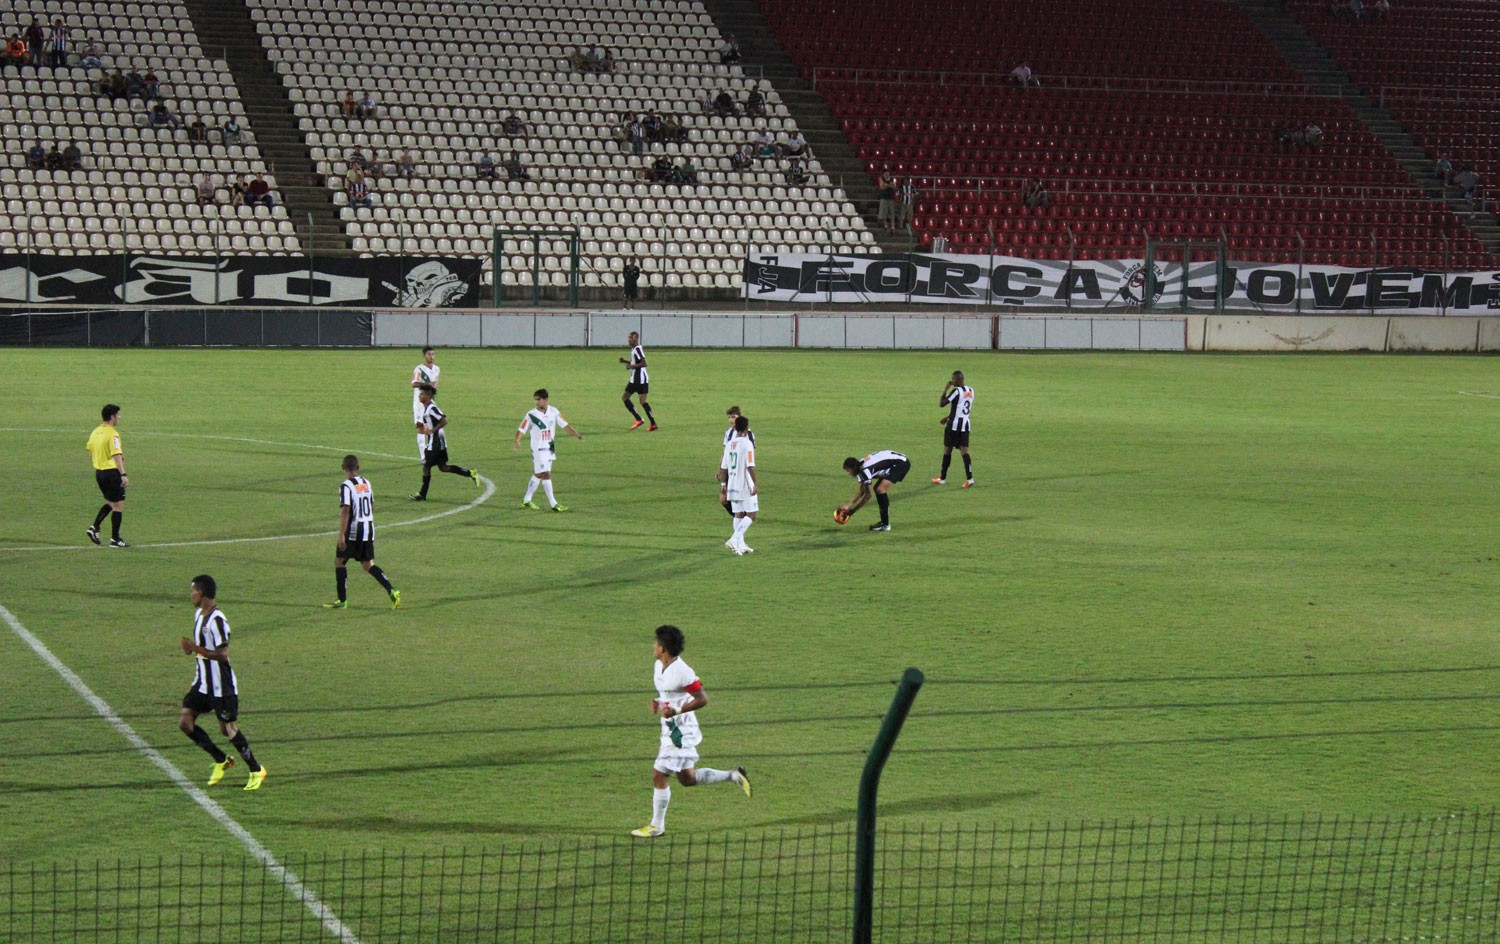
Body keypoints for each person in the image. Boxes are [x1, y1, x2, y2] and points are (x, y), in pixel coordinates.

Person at [630, 625, 751, 838]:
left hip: (680, 733)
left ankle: (656, 826)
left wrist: (676, 710)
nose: (653, 647)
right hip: (669, 728)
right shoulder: (659, 666)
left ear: (663, 648)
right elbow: (669, 693)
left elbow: (702, 699)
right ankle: (733, 775)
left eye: (656, 644)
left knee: (659, 774)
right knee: (687, 779)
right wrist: (658, 702)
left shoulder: (683, 672)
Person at [178, 575, 267, 790]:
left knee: (227, 728)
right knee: (185, 723)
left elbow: (223, 654)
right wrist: (194, 650)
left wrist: (194, 648)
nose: (191, 595)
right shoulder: (199, 615)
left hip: (221, 685)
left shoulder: (217, 620)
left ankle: (256, 769)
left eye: (193, 591)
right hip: (202, 683)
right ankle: (221, 759)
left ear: (202, 593)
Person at [324, 455, 401, 610]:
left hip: (353, 530)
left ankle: (342, 600)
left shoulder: (346, 486)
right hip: (368, 528)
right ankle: (391, 590)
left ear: (342, 467)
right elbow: (372, 506)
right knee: (368, 564)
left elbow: (345, 510)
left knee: (339, 561)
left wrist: (341, 535)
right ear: (358, 468)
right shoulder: (366, 483)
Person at [514, 388, 584, 512]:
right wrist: (517, 440)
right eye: (535, 400)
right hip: (538, 448)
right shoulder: (531, 414)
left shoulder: (554, 412)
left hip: (550, 447)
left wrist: (576, 435)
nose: (536, 402)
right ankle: (553, 503)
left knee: (540, 474)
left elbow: (565, 425)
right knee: (546, 473)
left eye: (538, 399)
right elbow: (522, 428)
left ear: (545, 399)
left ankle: (526, 499)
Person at [410, 384, 478, 500]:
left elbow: (444, 420)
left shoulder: (431, 408)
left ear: (427, 395)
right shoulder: (427, 408)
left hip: (435, 444)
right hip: (439, 442)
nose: (419, 396)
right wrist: (422, 426)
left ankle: (422, 495)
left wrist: (432, 430)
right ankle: (470, 473)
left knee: (426, 467)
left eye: (421, 394)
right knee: (443, 467)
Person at [84, 403, 129, 547]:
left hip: (100, 473)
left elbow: (90, 451)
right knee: (118, 506)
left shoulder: (95, 432)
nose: (119, 418)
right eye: (118, 415)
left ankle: (94, 528)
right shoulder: (113, 434)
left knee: (111, 502)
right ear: (112, 416)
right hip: (112, 473)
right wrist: (123, 474)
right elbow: (116, 455)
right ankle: (115, 539)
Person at [839, 450, 911, 532]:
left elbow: (868, 496)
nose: (848, 473)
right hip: (895, 461)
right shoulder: (859, 467)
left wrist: (852, 511)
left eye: (848, 470)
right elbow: (861, 491)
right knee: (877, 488)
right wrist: (848, 505)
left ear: (854, 468)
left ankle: (885, 524)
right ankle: (884, 523)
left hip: (901, 464)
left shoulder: (865, 470)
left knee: (880, 489)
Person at [718, 414, 758, 555]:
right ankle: (734, 539)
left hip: (732, 483)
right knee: (751, 514)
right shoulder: (747, 444)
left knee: (738, 514)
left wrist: (724, 485)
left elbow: (724, 468)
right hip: (745, 484)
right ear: (746, 428)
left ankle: (740, 545)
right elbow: (750, 466)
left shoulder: (730, 444)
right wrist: (754, 483)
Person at [932, 371, 974, 487]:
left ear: (958, 380)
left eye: (953, 380)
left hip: (953, 426)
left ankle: (943, 478)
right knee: (964, 452)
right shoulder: (971, 391)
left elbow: (942, 403)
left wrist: (945, 389)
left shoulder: (956, 391)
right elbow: (960, 408)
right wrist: (947, 417)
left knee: (947, 450)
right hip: (965, 425)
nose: (952, 381)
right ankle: (970, 479)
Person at [719, 405, 756, 518]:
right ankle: (742, 520)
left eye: (733, 417)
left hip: (741, 471)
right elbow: (725, 452)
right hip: (730, 469)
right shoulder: (729, 433)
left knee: (738, 503)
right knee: (723, 500)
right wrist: (719, 469)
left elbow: (749, 455)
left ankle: (741, 521)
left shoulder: (748, 435)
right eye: (729, 417)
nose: (731, 420)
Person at [620, 330, 656, 430]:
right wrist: (625, 362)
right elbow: (638, 362)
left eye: (631, 338)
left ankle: (638, 419)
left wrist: (631, 366)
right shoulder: (635, 349)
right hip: (644, 380)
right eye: (628, 338)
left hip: (637, 379)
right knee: (643, 401)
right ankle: (653, 424)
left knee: (625, 397)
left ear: (635, 338)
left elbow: (644, 363)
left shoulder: (637, 349)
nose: (629, 340)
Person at [410, 346, 439, 459]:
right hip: (419, 403)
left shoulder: (437, 369)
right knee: (420, 427)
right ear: (424, 356)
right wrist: (428, 385)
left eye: (433, 354)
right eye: (429, 354)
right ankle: (423, 457)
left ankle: (431, 451)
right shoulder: (419, 369)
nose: (431, 357)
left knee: (431, 427)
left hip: (431, 403)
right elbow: (414, 384)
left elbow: (434, 385)